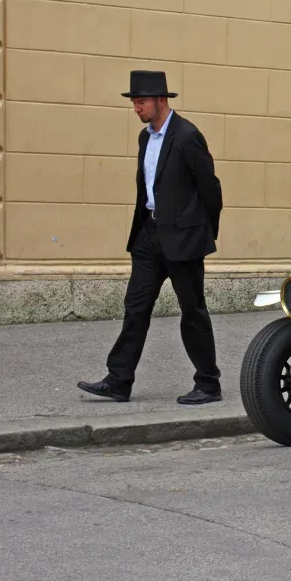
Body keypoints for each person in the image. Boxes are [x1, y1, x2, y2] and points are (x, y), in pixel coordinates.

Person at [78, 70, 224, 405]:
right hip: (148, 235)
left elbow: (210, 190)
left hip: (183, 240)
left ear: (161, 100)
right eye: (133, 103)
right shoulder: (146, 138)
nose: (136, 109)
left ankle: (208, 383)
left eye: (140, 102)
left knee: (193, 311)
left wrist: (203, 235)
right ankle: (119, 380)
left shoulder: (187, 136)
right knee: (136, 307)